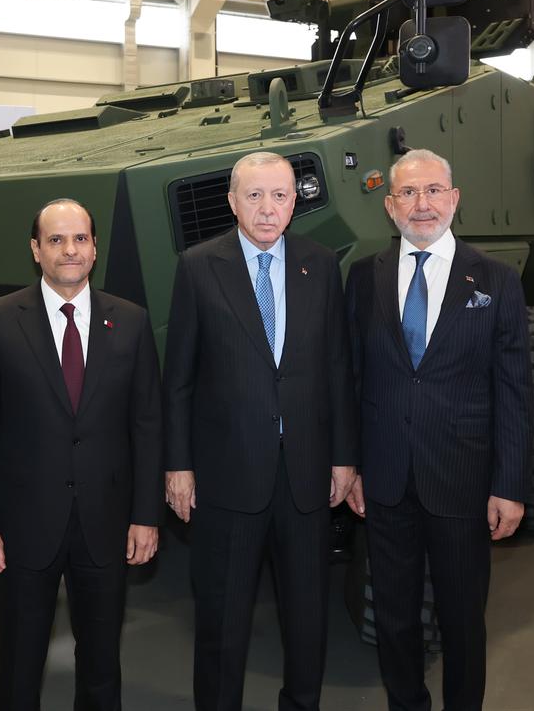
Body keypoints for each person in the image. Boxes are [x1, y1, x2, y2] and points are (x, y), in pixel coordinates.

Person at [164, 151, 358, 711]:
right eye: (254, 196)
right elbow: (177, 379)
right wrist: (178, 466)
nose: (267, 208)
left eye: (279, 195)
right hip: (227, 479)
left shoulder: (320, 266)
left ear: (296, 202)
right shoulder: (199, 267)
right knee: (222, 620)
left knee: (306, 617)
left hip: (305, 476)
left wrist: (344, 457)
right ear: (232, 202)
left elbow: (338, 370)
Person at [345, 148, 532, 711]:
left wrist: (511, 483)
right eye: (407, 193)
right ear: (389, 206)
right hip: (385, 478)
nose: (420, 204)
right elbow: (351, 377)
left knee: (462, 619)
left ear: (453, 200)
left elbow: (515, 389)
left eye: (432, 192)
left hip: (462, 477)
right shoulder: (363, 278)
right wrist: (349, 464)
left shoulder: (496, 281)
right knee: (395, 616)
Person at [0, 199, 163, 711]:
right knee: (18, 663)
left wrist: (146, 515)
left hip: (105, 523)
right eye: (56, 240)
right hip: (21, 529)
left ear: (94, 248)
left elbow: (147, 426)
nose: (69, 250)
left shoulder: (132, 321)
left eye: (79, 239)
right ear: (36, 250)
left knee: (102, 662)